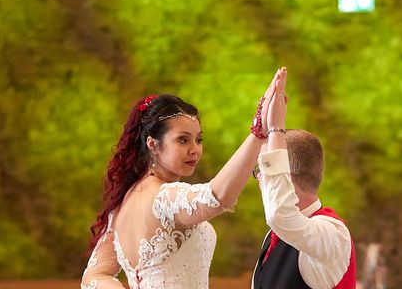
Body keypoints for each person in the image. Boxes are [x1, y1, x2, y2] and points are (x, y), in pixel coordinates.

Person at [81, 70, 282, 289]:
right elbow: (218, 196)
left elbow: (94, 276)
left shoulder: (123, 205)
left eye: (198, 139)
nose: (194, 150)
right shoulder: (164, 198)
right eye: (183, 140)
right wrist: (258, 132)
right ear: (153, 144)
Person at [251, 67, 356, 289]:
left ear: (284, 173)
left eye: (263, 169)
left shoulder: (332, 233)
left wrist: (275, 130)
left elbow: (279, 214)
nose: (260, 179)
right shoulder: (273, 236)